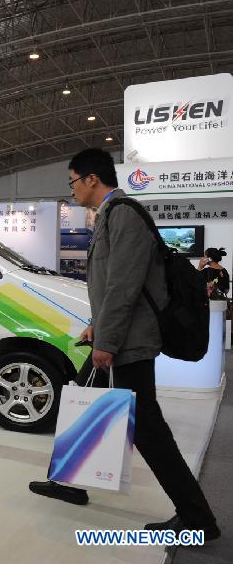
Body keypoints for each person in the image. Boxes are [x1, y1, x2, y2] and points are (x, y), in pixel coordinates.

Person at [30, 148, 220, 541]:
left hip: (128, 344)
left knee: (149, 431)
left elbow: (124, 286)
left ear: (91, 180)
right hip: (117, 337)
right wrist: (96, 326)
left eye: (72, 182)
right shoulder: (110, 217)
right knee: (82, 404)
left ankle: (197, 516)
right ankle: (67, 480)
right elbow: (111, 287)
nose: (72, 191)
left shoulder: (125, 215)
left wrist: (108, 339)